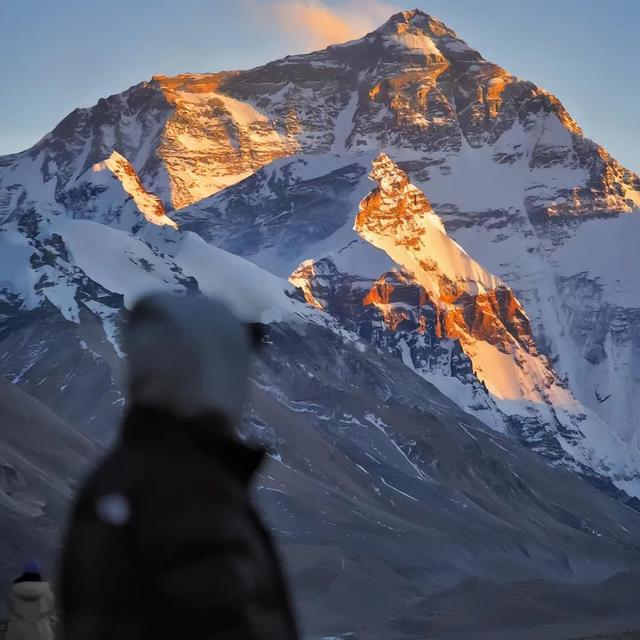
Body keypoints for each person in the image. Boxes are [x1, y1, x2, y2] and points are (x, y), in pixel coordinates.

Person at [59, 293, 298, 640]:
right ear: (201, 373)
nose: (241, 385)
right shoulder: (185, 494)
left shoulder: (128, 474)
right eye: (231, 364)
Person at [6, 559, 55, 640]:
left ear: (24, 572)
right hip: (42, 634)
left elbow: (11, 610)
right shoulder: (47, 592)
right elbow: (50, 610)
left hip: (18, 633)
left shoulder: (14, 591)